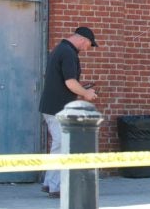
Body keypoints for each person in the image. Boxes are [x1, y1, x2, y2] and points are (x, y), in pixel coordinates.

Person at [38, 26, 98, 198]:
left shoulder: (61, 49)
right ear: (82, 39)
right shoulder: (68, 53)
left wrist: (81, 90)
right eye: (88, 44)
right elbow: (70, 82)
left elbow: (65, 83)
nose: (87, 48)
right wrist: (85, 93)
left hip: (53, 107)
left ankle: (50, 184)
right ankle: (56, 187)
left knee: (58, 146)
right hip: (58, 109)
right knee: (63, 146)